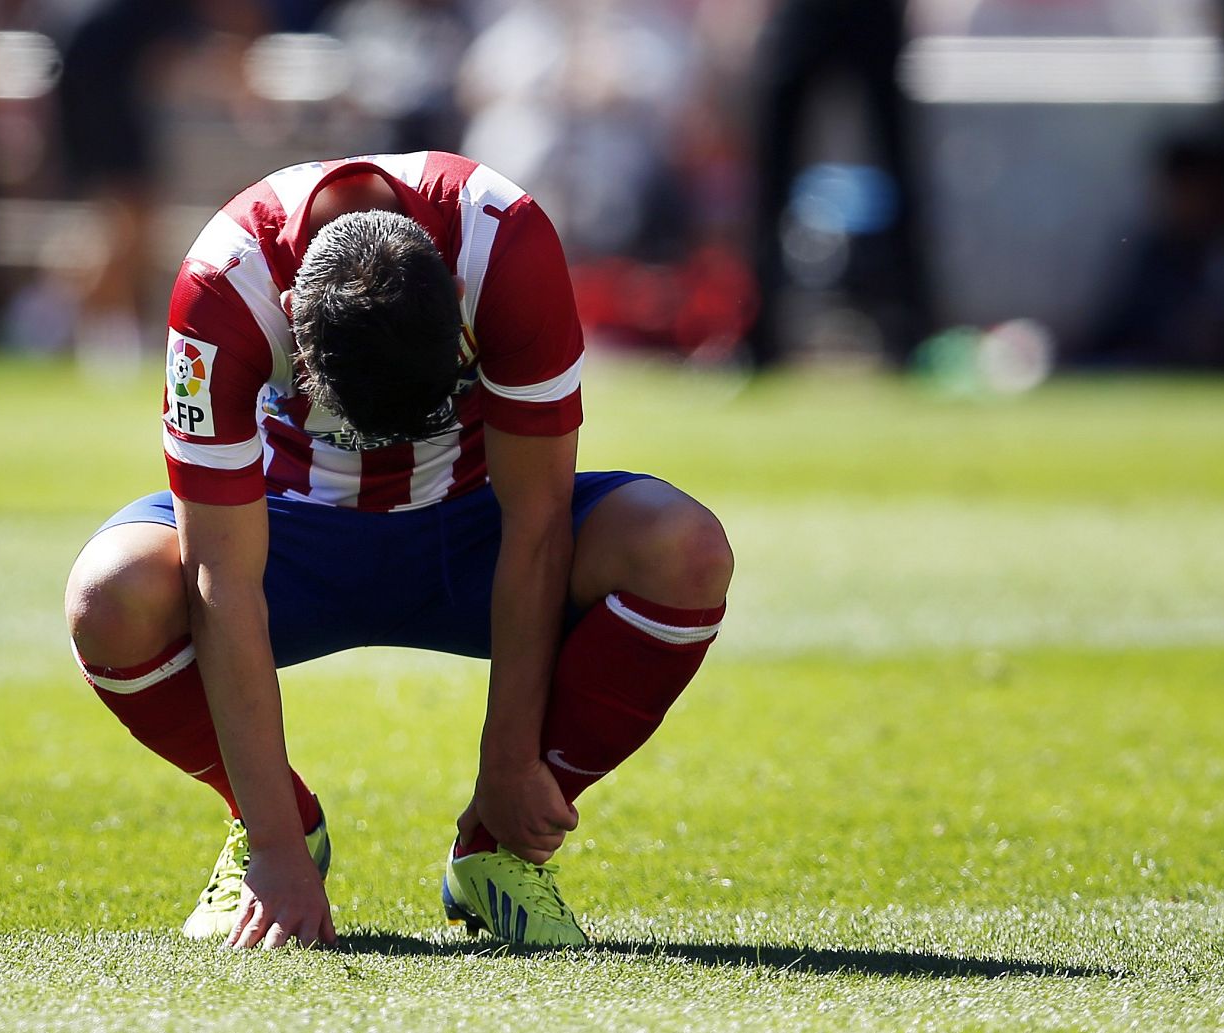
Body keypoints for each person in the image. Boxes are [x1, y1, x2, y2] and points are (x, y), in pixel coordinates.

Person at [63, 151, 734, 949]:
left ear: (457, 299)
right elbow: (223, 575)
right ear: (291, 322)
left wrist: (512, 762)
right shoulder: (221, 287)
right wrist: (276, 847)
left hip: (477, 526)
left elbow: (538, 521)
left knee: (684, 550)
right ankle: (271, 818)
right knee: (109, 597)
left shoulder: (506, 244)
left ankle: (497, 852)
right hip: (290, 534)